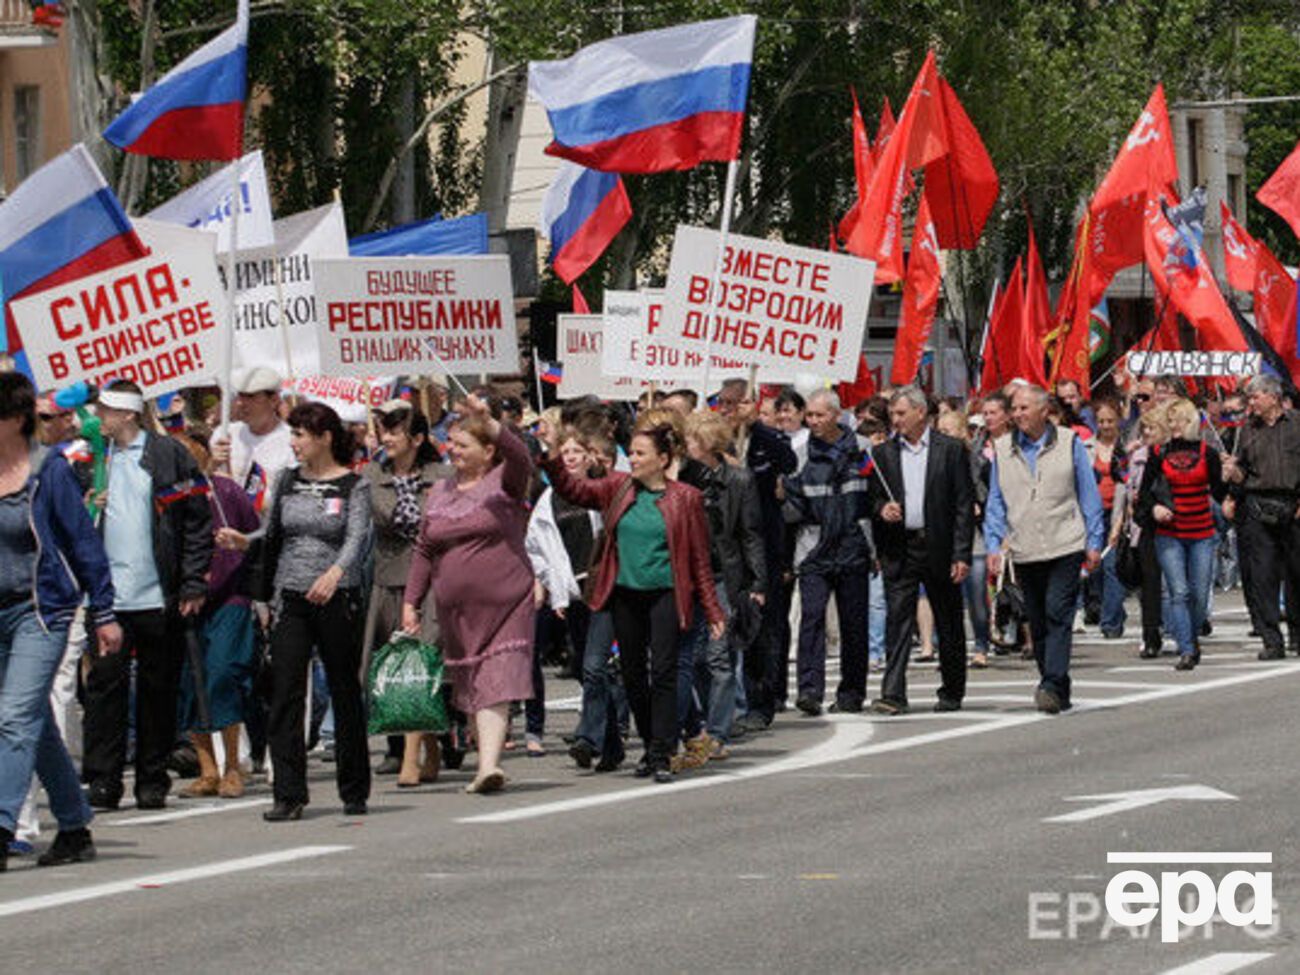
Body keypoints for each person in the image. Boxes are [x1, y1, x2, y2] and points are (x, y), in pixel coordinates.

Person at [539, 420, 724, 783]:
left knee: (666, 672)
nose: (633, 459)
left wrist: (713, 608)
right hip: (623, 593)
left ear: (663, 458)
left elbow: (699, 558)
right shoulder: (617, 488)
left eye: (640, 454)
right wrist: (554, 462)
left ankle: (661, 753)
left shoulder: (686, 498)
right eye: (632, 452)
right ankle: (652, 739)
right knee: (632, 674)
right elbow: (574, 490)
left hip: (667, 594)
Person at [217, 402, 372, 820]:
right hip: (291, 596)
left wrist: (336, 572)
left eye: (301, 435)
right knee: (285, 690)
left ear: (323, 437)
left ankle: (354, 787)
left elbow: (357, 537)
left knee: (343, 687)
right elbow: (273, 531)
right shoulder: (286, 480)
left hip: (336, 596)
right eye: (293, 435)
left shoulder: (353, 485)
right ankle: (288, 792)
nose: (295, 443)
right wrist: (245, 541)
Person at [0, 373, 121, 872]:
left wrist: (105, 611)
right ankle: (73, 825)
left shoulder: (48, 470)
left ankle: (2, 825)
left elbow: (81, 541)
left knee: (12, 717)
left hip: (42, 610)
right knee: (34, 722)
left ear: (13, 419)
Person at [81, 381, 212, 810]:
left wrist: (192, 580)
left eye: (106, 412)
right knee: (105, 690)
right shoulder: (90, 460)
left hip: (158, 595)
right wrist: (88, 505)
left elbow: (195, 519)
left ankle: (151, 778)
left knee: (158, 690)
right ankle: (104, 777)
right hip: (108, 601)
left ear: (129, 414)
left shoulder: (167, 455)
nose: (99, 419)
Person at [403, 394, 536, 795]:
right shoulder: (440, 491)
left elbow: (522, 458)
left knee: (497, 676)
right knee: (475, 681)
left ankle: (489, 766)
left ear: (487, 450)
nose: (453, 451)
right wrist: (412, 601)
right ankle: (485, 758)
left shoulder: (505, 483)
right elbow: (425, 550)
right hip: (455, 608)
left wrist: (489, 419)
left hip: (508, 601)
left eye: (463, 445)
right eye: (451, 444)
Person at [985, 385, 1104, 714]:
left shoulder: (1068, 442)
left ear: (1044, 411)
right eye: (1015, 408)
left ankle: (1051, 682)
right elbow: (996, 500)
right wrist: (994, 543)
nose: (1018, 414)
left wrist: (1094, 541)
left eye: (1025, 408)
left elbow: (1088, 494)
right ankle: (1057, 684)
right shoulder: (1002, 448)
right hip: (1025, 547)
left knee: (1057, 611)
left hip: (1065, 542)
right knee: (1036, 620)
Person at [363, 402, 453, 786]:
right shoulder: (372, 474)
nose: (386, 438)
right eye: (384, 431)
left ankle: (411, 757)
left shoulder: (443, 476)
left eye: (395, 432)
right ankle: (430, 744)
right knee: (393, 666)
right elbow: (386, 516)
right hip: (389, 578)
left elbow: (441, 524)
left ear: (416, 438)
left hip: (432, 579)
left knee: (422, 661)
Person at [869, 388, 974, 714]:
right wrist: (882, 509)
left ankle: (952, 689)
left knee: (948, 619)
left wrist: (961, 553)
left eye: (900, 414)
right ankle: (893, 693)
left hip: (939, 546)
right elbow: (872, 497)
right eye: (892, 414)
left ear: (919, 413)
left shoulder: (950, 450)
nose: (895, 420)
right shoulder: (883, 453)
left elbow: (962, 505)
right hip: (900, 548)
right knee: (898, 619)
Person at [530, 432, 625, 771]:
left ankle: (588, 737)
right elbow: (537, 547)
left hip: (603, 588)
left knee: (595, 666)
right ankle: (612, 745)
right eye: (565, 451)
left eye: (577, 451)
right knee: (590, 672)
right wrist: (553, 588)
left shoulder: (604, 489)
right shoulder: (549, 499)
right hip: (572, 594)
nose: (569, 457)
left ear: (590, 456)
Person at [174, 432, 260, 799]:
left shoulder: (227, 493)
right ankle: (207, 767)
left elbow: (257, 537)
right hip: (184, 601)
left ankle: (232, 766)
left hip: (231, 598)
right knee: (190, 683)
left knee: (223, 674)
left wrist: (239, 542)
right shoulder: (168, 499)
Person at [678, 411, 765, 761]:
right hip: (692, 577)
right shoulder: (683, 480)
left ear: (708, 444)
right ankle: (700, 725)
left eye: (692, 442)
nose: (686, 448)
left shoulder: (739, 480)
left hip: (724, 577)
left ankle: (717, 732)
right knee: (696, 657)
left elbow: (750, 533)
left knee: (719, 656)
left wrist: (758, 581)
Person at [783, 389, 872, 715]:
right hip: (814, 550)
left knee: (853, 624)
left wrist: (872, 540)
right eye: (810, 415)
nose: (814, 421)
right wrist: (784, 498)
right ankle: (809, 690)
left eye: (820, 415)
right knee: (811, 620)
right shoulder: (800, 454)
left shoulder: (862, 451)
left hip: (852, 546)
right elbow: (793, 508)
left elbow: (873, 495)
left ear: (836, 415)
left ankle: (851, 693)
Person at [1137, 399, 1227, 670]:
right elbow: (1144, 494)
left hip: (1201, 532)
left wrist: (1232, 480)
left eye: (1180, 420)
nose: (1174, 425)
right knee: (1179, 592)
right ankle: (1186, 648)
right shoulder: (1158, 453)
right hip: (1170, 533)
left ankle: (1192, 633)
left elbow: (1220, 492)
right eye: (1171, 419)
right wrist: (1154, 508)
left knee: (1199, 594)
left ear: (1191, 423)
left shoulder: (1207, 453)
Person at [1222, 375, 1300, 660]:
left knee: (1296, 573)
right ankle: (1271, 640)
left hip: (1293, 505)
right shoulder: (1246, 431)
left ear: (1273, 397)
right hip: (1258, 506)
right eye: (1249, 397)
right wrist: (1232, 477)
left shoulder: (1297, 424)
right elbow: (1243, 474)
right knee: (1263, 577)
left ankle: (1297, 635)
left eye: (1255, 397)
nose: (1250, 402)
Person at [968, 392, 1012, 666]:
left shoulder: (1018, 445)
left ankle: (1027, 635)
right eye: (985, 413)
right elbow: (969, 480)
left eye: (994, 412)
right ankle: (982, 642)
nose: (988, 417)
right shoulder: (976, 447)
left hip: (1015, 519)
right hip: (981, 520)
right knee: (979, 584)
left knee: (1016, 582)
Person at [211, 367, 293, 508]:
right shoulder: (223, 434)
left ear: (273, 400)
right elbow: (205, 484)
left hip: (268, 527)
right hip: (228, 526)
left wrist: (242, 498)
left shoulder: (293, 441)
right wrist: (212, 465)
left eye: (250, 396)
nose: (240, 403)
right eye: (240, 395)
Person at [1090, 400, 1128, 639]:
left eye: (1110, 421)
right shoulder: (1086, 446)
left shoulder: (1125, 448)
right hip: (1093, 514)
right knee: (1096, 569)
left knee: (1113, 566)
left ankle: (1110, 622)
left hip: (1118, 512)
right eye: (1101, 421)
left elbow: (1127, 482)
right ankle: (1113, 611)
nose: (1105, 426)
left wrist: (1120, 521)